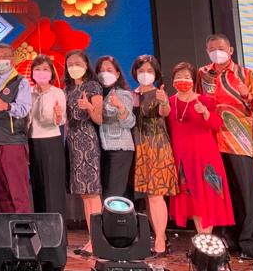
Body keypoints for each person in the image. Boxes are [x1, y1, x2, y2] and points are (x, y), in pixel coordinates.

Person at [198, 33, 253, 258]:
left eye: (221, 47)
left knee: (246, 195)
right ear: (207, 51)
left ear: (231, 50)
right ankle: (227, 239)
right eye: (212, 48)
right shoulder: (204, 74)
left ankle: (249, 244)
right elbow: (199, 101)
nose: (217, 51)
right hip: (212, 140)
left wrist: (247, 95)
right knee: (221, 194)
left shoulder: (245, 74)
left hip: (239, 140)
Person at [167, 61, 233, 234]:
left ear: (193, 80)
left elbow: (217, 123)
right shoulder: (169, 102)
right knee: (192, 200)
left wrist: (205, 112)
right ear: (173, 81)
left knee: (206, 197)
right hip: (182, 158)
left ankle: (205, 238)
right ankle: (201, 237)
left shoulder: (204, 100)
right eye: (179, 77)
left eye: (187, 77)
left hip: (204, 157)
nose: (183, 80)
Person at [129, 55, 177, 256]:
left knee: (156, 196)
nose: (145, 75)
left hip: (157, 147)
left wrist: (164, 102)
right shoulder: (131, 95)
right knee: (149, 197)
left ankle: (159, 240)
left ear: (156, 73)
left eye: (149, 71)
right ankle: (159, 236)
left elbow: (165, 112)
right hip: (139, 149)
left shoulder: (159, 94)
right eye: (141, 71)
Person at [0, 43, 32, 214]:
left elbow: (24, 109)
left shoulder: (21, 82)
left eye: (5, 56)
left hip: (13, 141)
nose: (1, 60)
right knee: (1, 190)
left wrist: (7, 106)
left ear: (12, 59)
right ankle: (6, 230)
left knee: (18, 189)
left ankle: (24, 232)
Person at [63, 49, 103, 255]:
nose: (74, 67)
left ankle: (97, 240)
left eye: (78, 63)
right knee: (85, 195)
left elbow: (99, 119)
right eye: (70, 63)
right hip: (73, 142)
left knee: (93, 193)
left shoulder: (92, 86)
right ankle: (91, 239)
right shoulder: (68, 88)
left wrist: (88, 106)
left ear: (86, 65)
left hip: (87, 140)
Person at [27, 55, 67, 221]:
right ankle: (41, 231)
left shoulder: (57, 92)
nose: (41, 73)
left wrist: (58, 117)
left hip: (51, 142)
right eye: (37, 69)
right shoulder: (28, 92)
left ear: (51, 73)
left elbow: (61, 119)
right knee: (38, 187)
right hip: (33, 141)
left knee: (53, 189)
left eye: (45, 69)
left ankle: (57, 234)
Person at [95, 56, 136, 199]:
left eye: (109, 70)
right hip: (103, 149)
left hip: (119, 149)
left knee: (113, 195)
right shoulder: (96, 94)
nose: (104, 73)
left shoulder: (123, 94)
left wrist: (120, 107)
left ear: (117, 74)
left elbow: (130, 122)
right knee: (105, 194)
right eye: (101, 71)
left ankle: (117, 221)